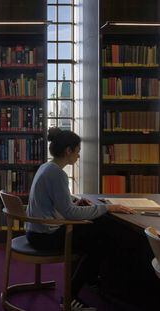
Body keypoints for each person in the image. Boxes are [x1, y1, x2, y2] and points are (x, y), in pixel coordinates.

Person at [25, 127, 134, 311]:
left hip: (36, 232)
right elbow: (70, 214)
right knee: (103, 236)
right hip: (45, 236)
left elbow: (59, 203)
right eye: (77, 151)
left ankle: (91, 280)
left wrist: (75, 202)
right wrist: (107, 207)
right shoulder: (57, 173)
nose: (78, 156)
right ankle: (71, 296)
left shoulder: (47, 167)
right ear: (68, 150)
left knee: (99, 233)